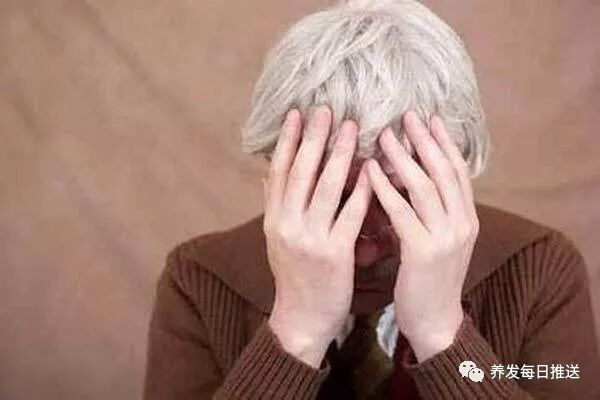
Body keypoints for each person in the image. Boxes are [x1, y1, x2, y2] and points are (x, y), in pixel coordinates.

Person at [142, 1, 600, 398]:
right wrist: (295, 335)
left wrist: (443, 337)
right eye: (333, 197)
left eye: (401, 196)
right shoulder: (200, 278)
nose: (363, 251)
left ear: (456, 169)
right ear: (276, 173)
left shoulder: (539, 269)